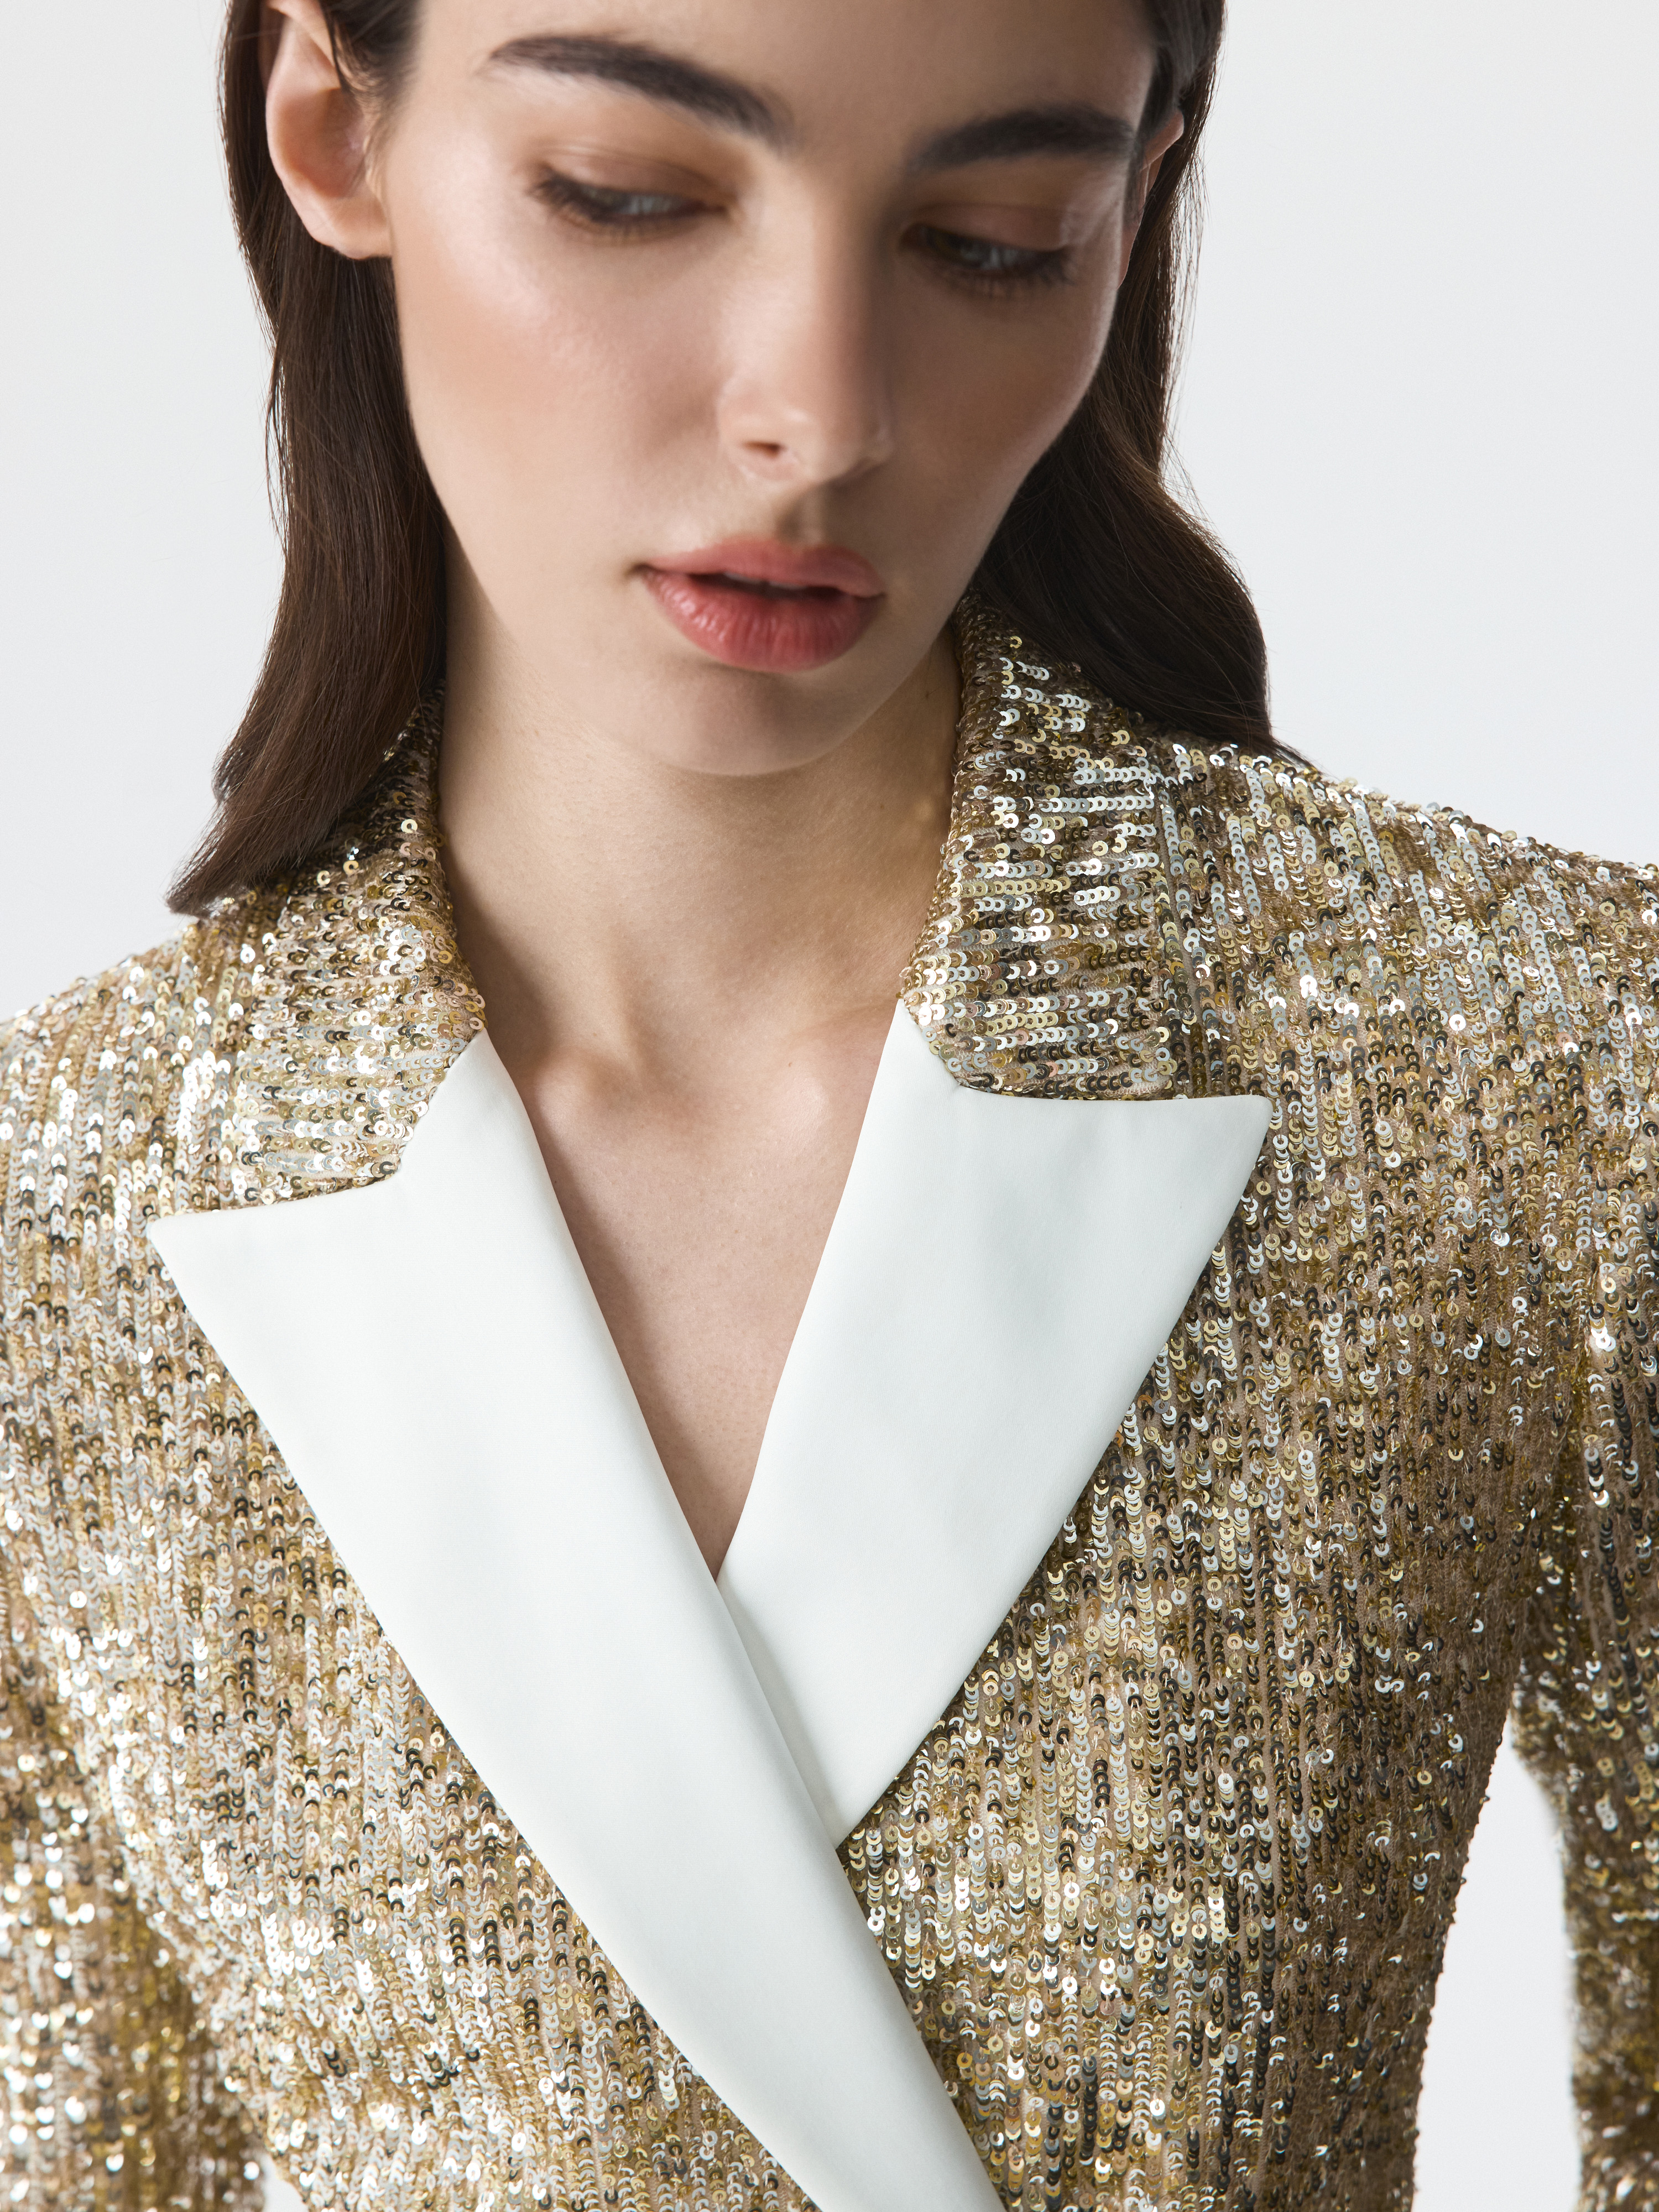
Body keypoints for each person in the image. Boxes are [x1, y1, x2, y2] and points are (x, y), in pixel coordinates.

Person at [1, 0, 1654, 2205]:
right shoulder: (55, 1219)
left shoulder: (1540, 1070)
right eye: (630, 197)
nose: (821, 414)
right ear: (334, 124)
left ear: (1137, 205)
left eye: (994, 239)